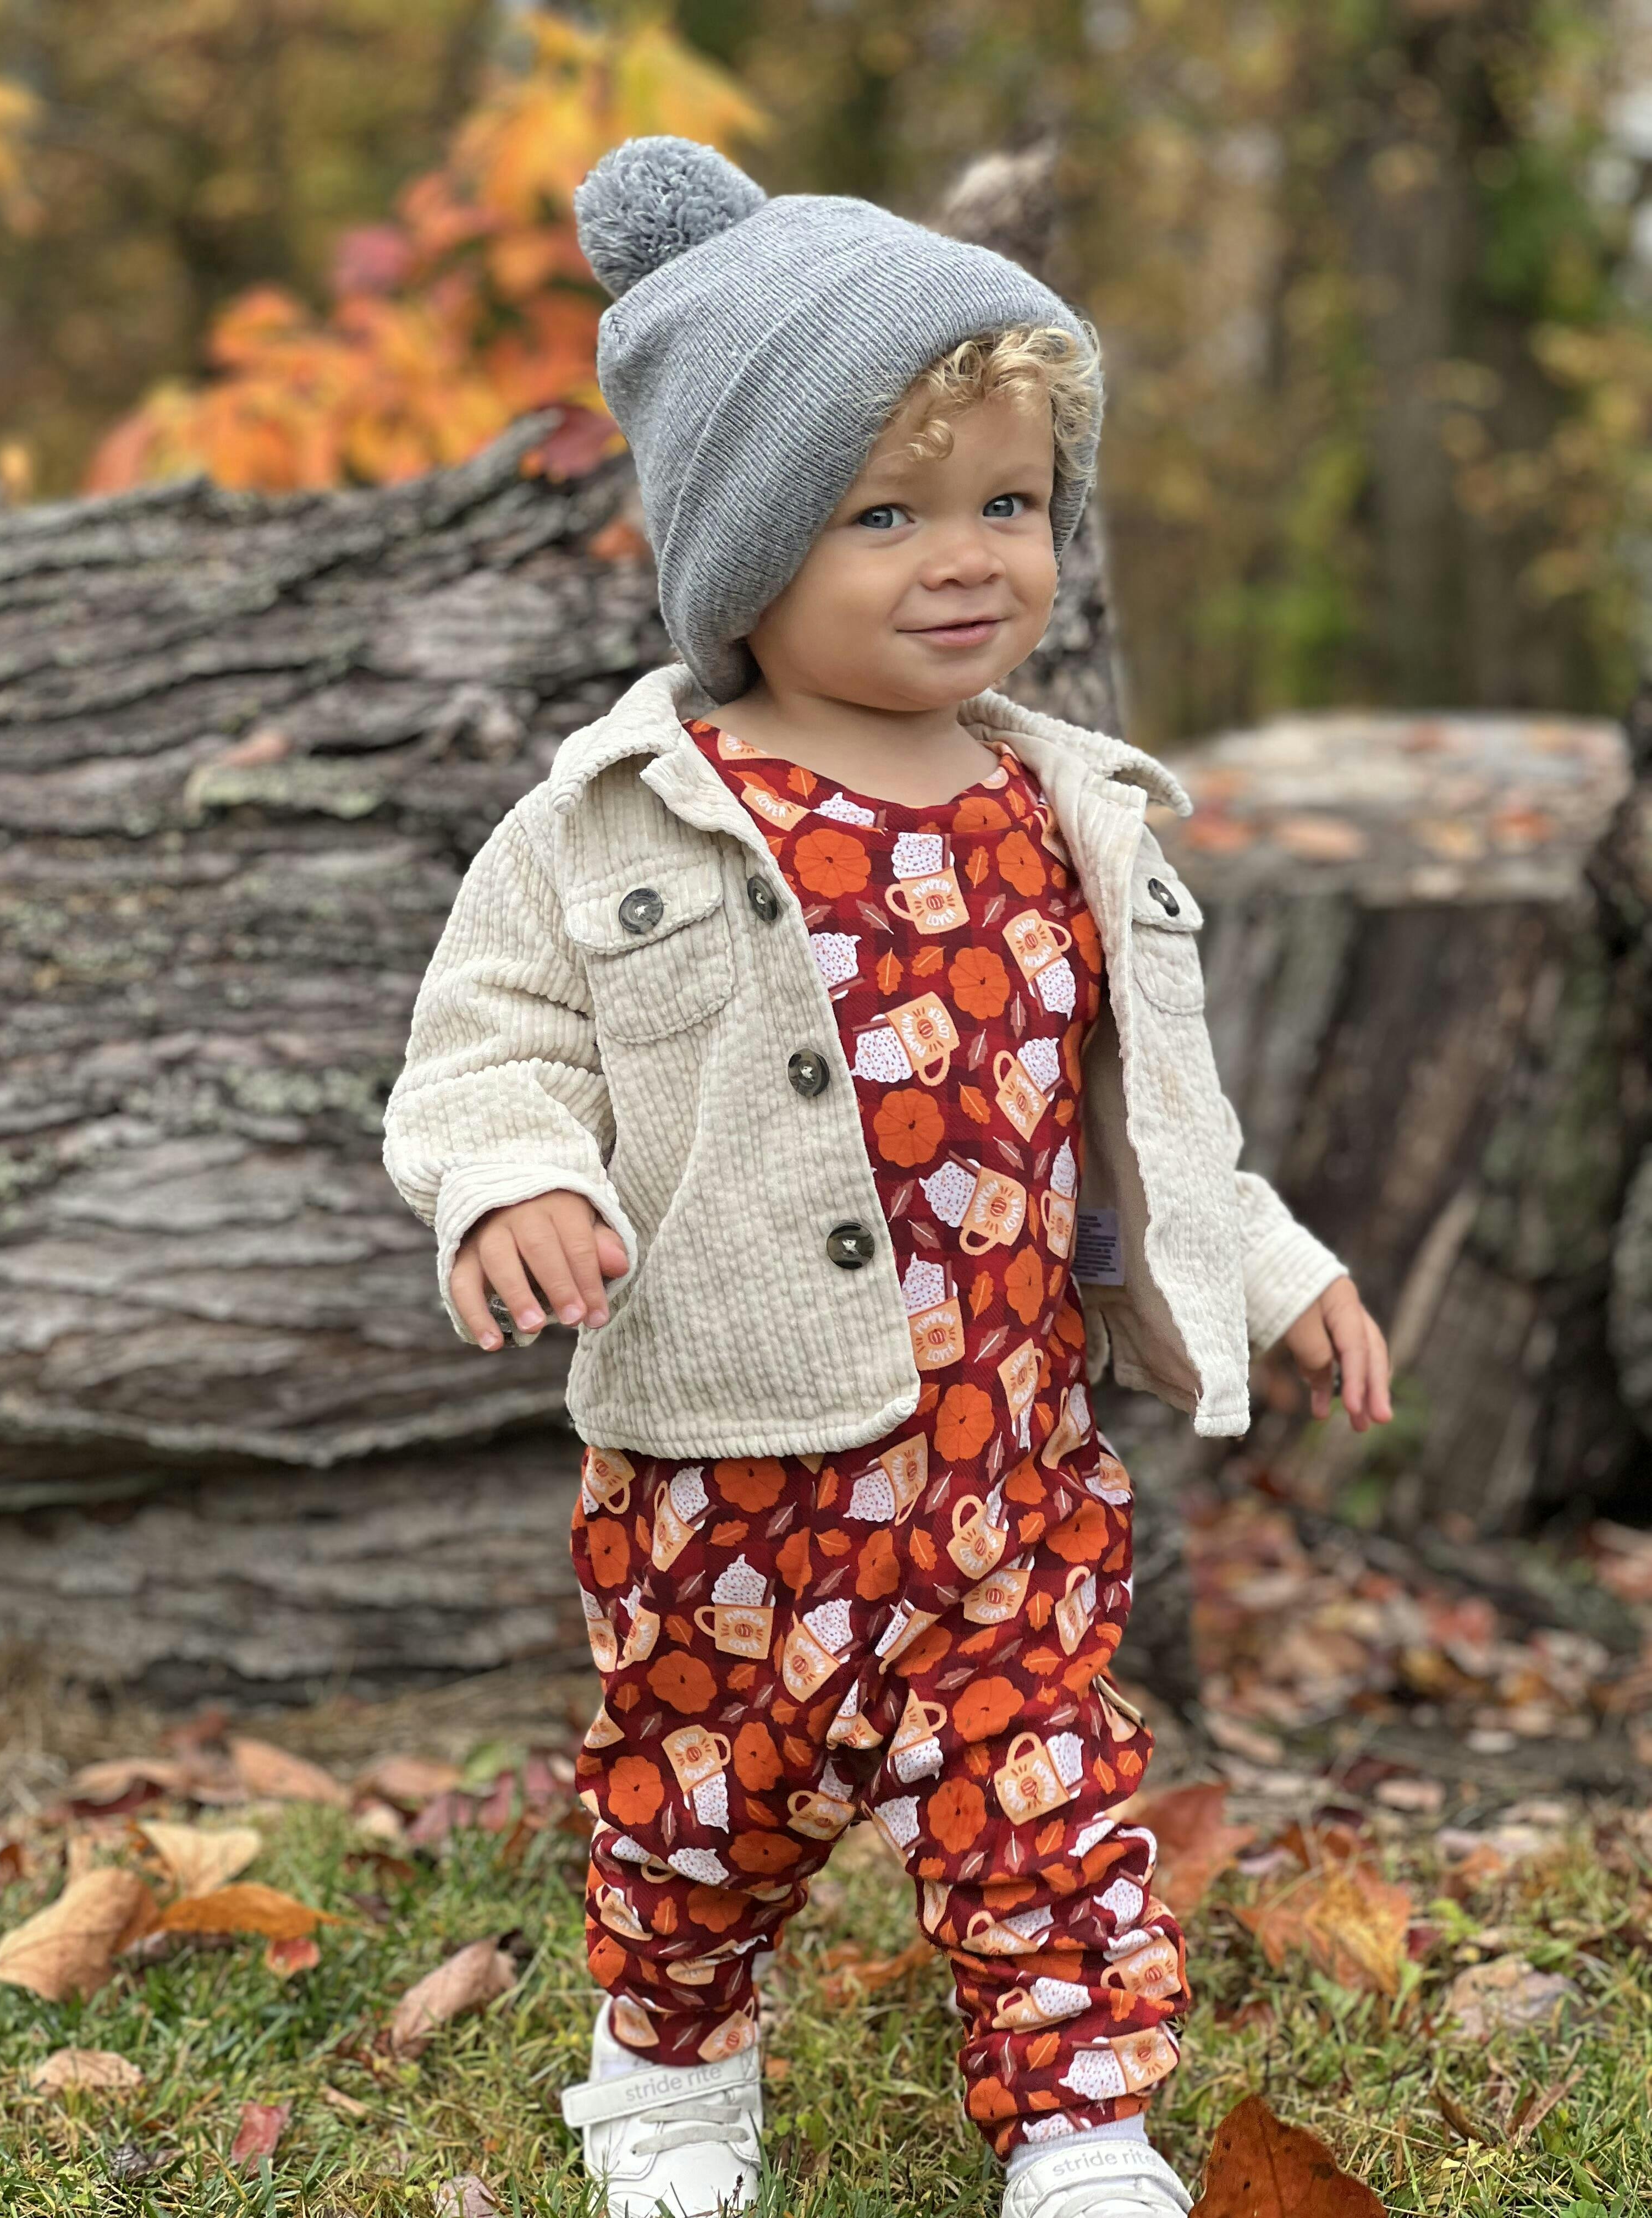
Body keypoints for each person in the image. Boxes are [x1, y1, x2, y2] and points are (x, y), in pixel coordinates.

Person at [381, 134, 1393, 2218]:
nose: (968, 559)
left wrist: (1277, 1264)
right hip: (721, 1485)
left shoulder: (1067, 808)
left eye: (1010, 504)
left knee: (1048, 1804)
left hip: (1006, 1475)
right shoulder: (622, 815)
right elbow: (488, 1044)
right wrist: (509, 1181)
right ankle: (669, 2077)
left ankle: (1082, 2130)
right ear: (747, 545)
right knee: (701, 1820)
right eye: (885, 515)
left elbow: (1152, 1111)